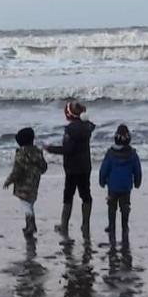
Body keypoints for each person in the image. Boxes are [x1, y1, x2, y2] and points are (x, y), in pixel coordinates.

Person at [45, 101, 96, 238]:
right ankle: (85, 224)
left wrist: (49, 149)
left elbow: (68, 150)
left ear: (69, 114)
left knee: (68, 195)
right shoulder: (87, 127)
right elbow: (91, 124)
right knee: (86, 194)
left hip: (72, 168)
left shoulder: (70, 130)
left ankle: (64, 224)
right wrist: (85, 117)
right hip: (85, 166)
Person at [99, 124, 142, 246]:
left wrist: (102, 181)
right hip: (126, 186)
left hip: (112, 186)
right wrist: (137, 182)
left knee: (111, 207)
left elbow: (104, 169)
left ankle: (111, 226)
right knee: (125, 207)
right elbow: (137, 170)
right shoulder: (132, 154)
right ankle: (125, 226)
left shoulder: (110, 154)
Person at [3, 127, 48, 236]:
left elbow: (16, 171)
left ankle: (30, 225)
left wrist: (9, 181)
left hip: (23, 184)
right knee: (30, 203)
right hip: (35, 182)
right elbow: (44, 167)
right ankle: (31, 225)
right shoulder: (38, 152)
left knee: (26, 205)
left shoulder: (21, 154)